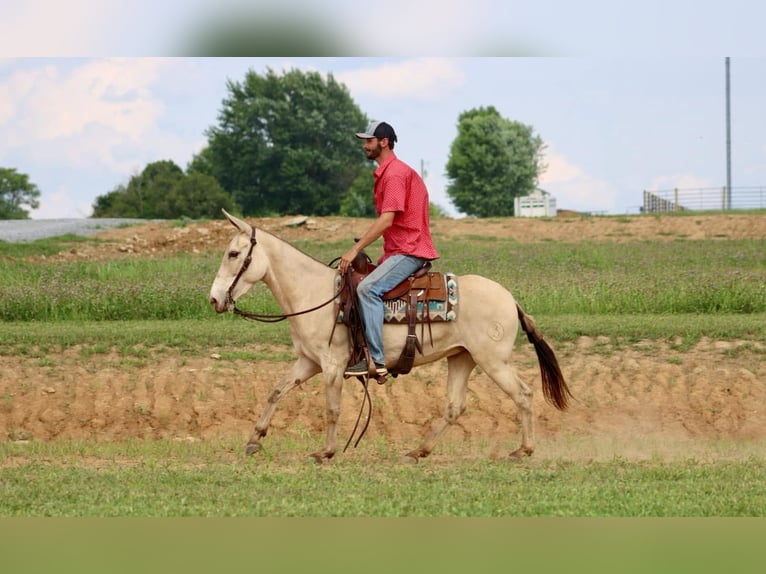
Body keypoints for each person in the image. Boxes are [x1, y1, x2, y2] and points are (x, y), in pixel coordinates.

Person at [339, 121, 439, 377]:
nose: (365, 145)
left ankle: (376, 360)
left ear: (383, 142)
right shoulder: (389, 172)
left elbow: (387, 220)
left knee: (368, 289)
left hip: (410, 250)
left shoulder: (394, 174)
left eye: (369, 141)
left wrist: (355, 249)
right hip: (398, 250)